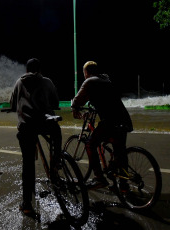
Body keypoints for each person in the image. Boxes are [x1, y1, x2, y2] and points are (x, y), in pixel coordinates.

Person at [10, 58, 61, 217]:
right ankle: (56, 163)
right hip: (46, 123)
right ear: (39, 70)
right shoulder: (47, 81)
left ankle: (26, 204)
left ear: (26, 70)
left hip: (27, 126)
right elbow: (55, 102)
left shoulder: (19, 82)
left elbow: (12, 103)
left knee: (28, 163)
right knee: (56, 134)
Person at [71, 61, 133, 190]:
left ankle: (99, 178)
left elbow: (78, 100)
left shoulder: (89, 81)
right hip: (124, 120)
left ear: (86, 72)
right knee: (120, 151)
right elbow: (106, 100)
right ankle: (123, 185)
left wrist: (75, 108)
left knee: (90, 144)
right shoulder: (106, 80)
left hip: (110, 122)